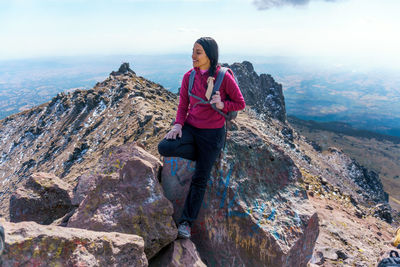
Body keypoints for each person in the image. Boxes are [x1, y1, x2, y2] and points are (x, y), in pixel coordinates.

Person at [158, 37, 245, 239]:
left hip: (212, 132)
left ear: (209, 55)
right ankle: (205, 155)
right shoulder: (189, 77)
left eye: (198, 52)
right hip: (190, 127)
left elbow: (240, 103)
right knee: (164, 147)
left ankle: (186, 223)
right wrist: (178, 125)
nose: (193, 56)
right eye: (193, 51)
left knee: (200, 178)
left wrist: (223, 104)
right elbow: (182, 106)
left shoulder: (223, 77)